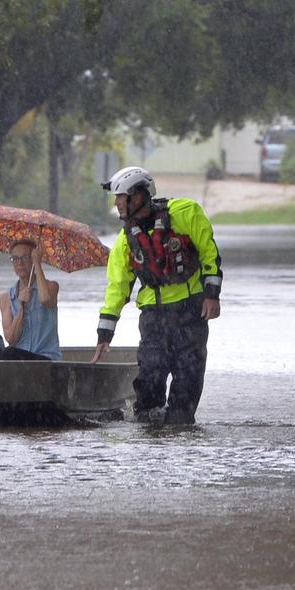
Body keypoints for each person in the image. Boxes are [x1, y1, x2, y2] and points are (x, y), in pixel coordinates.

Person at [91, 166, 221, 424]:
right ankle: (150, 441)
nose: (117, 203)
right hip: (154, 318)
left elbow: (209, 253)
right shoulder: (126, 240)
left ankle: (178, 433)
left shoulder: (186, 213)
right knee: (149, 384)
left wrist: (212, 295)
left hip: (190, 313)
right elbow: (117, 286)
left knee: (186, 391)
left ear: (138, 196)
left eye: (121, 197)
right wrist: (105, 333)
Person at [0, 240, 61, 361]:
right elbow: (11, 338)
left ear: (33, 259)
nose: (19, 263)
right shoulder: (6, 298)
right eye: (15, 259)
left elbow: (46, 299)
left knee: (8, 353)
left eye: (25, 258)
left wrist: (37, 264)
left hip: (45, 357)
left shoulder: (51, 287)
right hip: (20, 358)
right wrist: (21, 307)